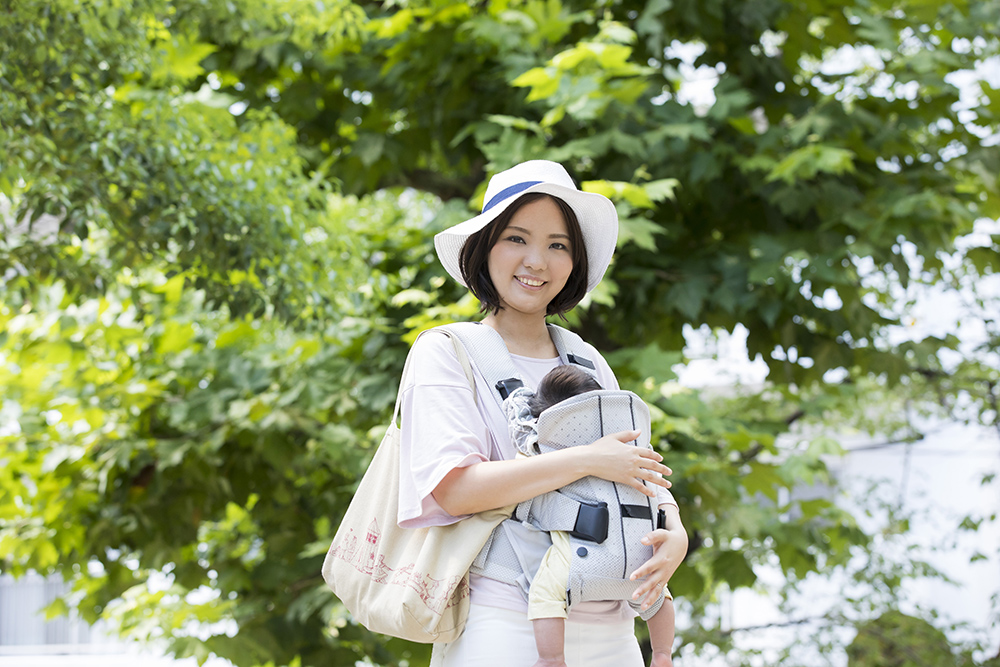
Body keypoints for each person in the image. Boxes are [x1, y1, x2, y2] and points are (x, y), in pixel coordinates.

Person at [397, 160, 688, 666]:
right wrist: (586, 460)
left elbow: (633, 470)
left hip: (614, 626)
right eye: (516, 238)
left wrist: (675, 530)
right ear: (484, 247)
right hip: (502, 621)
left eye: (558, 245)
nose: (537, 261)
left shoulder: (586, 359)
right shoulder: (446, 351)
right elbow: (453, 489)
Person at [504, 364, 677, 667]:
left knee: (545, 593)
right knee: (657, 593)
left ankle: (551, 659)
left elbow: (521, 451)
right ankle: (663, 653)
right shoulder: (629, 448)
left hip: (580, 561)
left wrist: (520, 401)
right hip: (637, 557)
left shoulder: (547, 448)